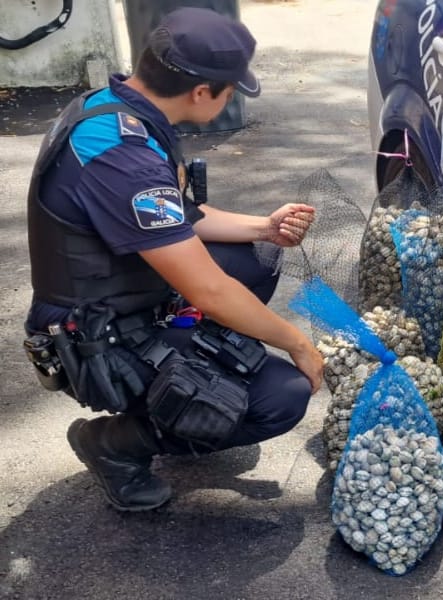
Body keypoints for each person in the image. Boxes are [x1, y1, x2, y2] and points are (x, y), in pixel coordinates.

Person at [23, 7, 324, 512]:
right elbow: (209, 290)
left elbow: (177, 217)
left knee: (258, 255)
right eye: (230, 90)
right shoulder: (124, 157)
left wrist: (264, 227)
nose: (230, 98)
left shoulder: (116, 109)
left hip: (122, 298)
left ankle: (196, 385)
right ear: (202, 92)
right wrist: (299, 344)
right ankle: (115, 444)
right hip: (94, 337)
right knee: (281, 396)